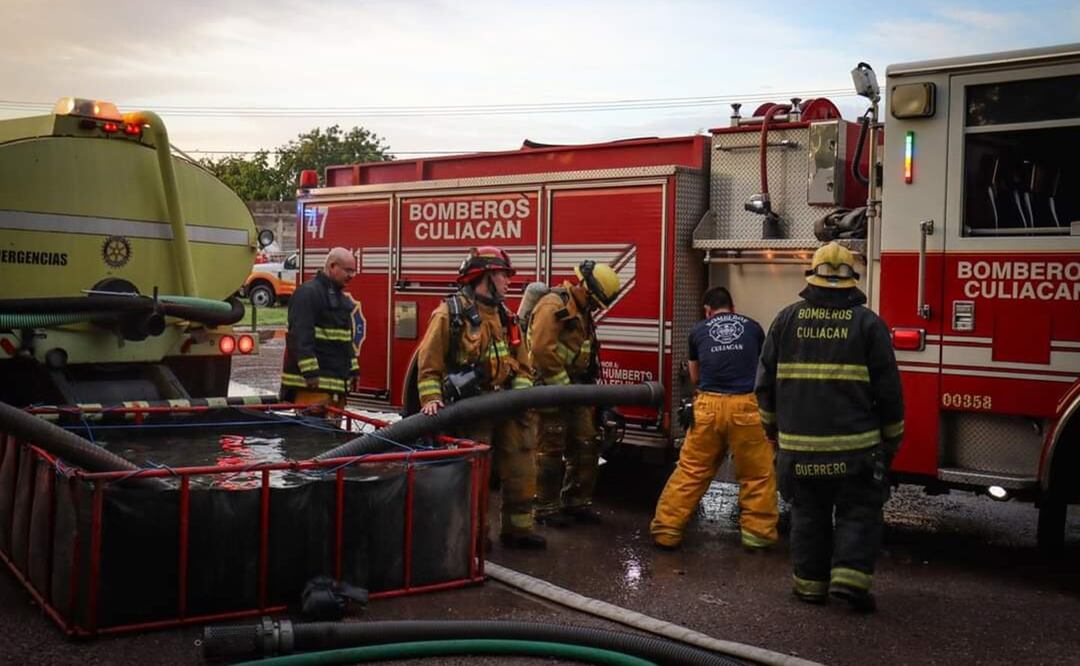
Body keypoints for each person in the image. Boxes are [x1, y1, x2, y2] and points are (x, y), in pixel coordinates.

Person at [755, 241, 904, 612]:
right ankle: (849, 583)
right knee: (859, 511)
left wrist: (772, 431)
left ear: (813, 276)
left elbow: (765, 384)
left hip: (799, 452)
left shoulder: (786, 320)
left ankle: (810, 586)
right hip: (856, 451)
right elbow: (888, 390)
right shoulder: (868, 324)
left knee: (808, 514)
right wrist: (892, 439)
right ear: (852, 279)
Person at [415, 246, 545, 550]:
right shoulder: (450, 314)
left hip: (508, 408)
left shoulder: (506, 316)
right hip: (473, 412)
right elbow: (429, 364)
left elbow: (523, 363)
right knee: (475, 477)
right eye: (503, 275)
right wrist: (431, 398)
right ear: (484, 277)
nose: (509, 281)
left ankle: (518, 530)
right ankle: (473, 539)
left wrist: (521, 398)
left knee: (522, 467)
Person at [650, 287, 778, 551]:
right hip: (746, 407)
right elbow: (763, 370)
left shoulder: (698, 330)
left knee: (691, 471)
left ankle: (666, 532)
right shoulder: (753, 327)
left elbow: (695, 377)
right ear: (733, 308)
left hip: (708, 407)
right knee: (756, 474)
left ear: (707, 310)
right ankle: (758, 536)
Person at [527, 261, 620, 527]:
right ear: (586, 289)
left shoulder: (581, 310)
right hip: (550, 389)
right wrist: (563, 386)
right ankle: (545, 508)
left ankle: (576, 503)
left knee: (587, 443)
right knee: (550, 448)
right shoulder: (552, 306)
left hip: (573, 389)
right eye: (594, 302)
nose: (595, 308)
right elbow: (541, 351)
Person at [280, 247, 360, 408]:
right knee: (312, 425)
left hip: (334, 387)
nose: (352, 275)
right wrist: (310, 373)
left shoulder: (339, 299)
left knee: (331, 425)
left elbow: (345, 342)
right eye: (348, 270)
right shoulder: (308, 293)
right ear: (332, 266)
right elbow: (300, 337)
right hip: (312, 387)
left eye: (353, 271)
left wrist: (353, 372)